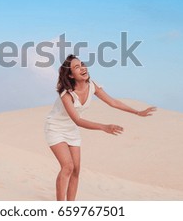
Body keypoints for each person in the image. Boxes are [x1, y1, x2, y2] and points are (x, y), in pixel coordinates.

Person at [44, 54, 156, 201]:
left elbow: (113, 102)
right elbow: (78, 120)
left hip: (71, 129)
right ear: (71, 75)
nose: (82, 68)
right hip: (56, 128)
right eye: (77, 67)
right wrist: (104, 127)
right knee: (68, 167)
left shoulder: (92, 86)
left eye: (82, 64)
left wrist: (137, 112)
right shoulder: (67, 95)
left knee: (76, 170)